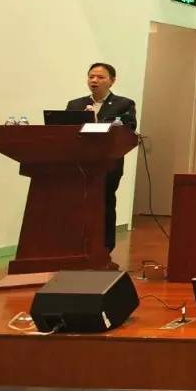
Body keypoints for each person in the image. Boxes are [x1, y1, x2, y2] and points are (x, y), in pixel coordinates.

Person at [66, 62, 137, 252]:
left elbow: (128, 128)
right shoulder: (75, 104)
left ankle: (104, 247)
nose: (94, 80)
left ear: (112, 81)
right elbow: (65, 130)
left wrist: (96, 122)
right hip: (79, 162)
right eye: (91, 77)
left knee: (104, 201)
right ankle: (76, 245)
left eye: (100, 77)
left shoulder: (124, 104)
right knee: (77, 203)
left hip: (108, 163)